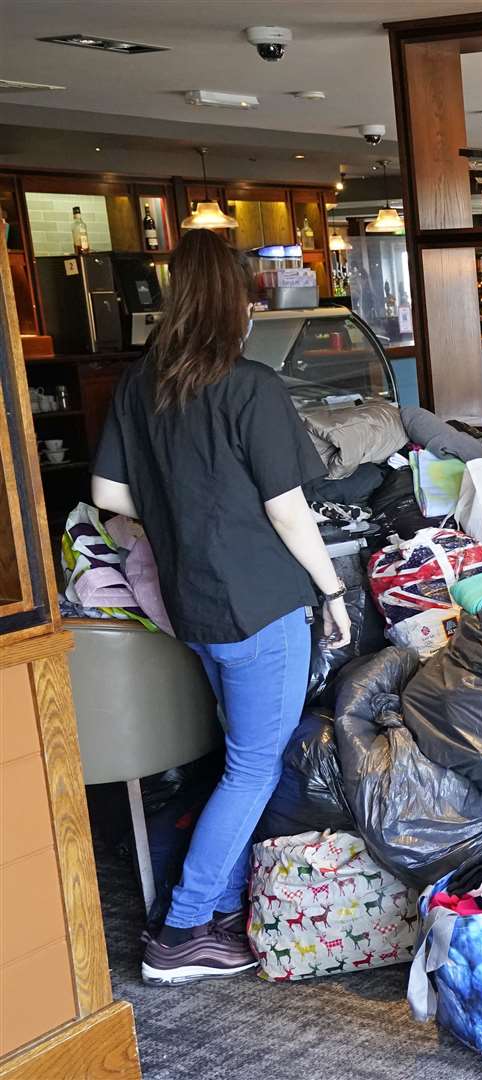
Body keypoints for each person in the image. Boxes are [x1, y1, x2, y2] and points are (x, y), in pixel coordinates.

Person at [90, 228, 351, 985]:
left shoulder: (142, 386)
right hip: (262, 603)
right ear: (236, 304)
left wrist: (179, 518)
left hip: (192, 607)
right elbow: (289, 511)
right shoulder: (251, 385)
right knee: (252, 767)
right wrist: (332, 592)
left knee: (239, 756)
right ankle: (181, 930)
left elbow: (108, 499)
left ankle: (223, 905)